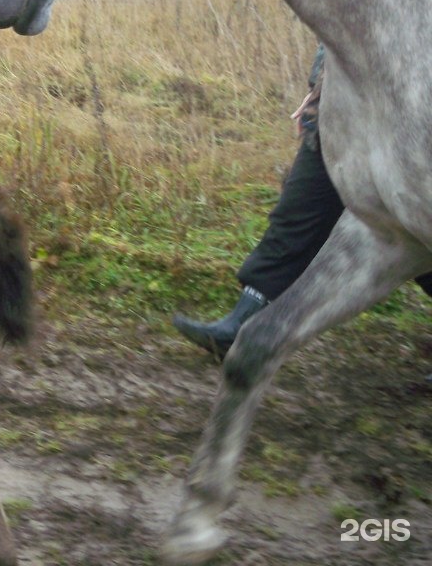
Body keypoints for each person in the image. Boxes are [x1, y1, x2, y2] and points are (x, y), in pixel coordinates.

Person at [174, 46, 432, 358]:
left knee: (417, 230)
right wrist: (318, 92)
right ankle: (240, 326)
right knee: (295, 216)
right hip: (338, 119)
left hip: (408, 127)